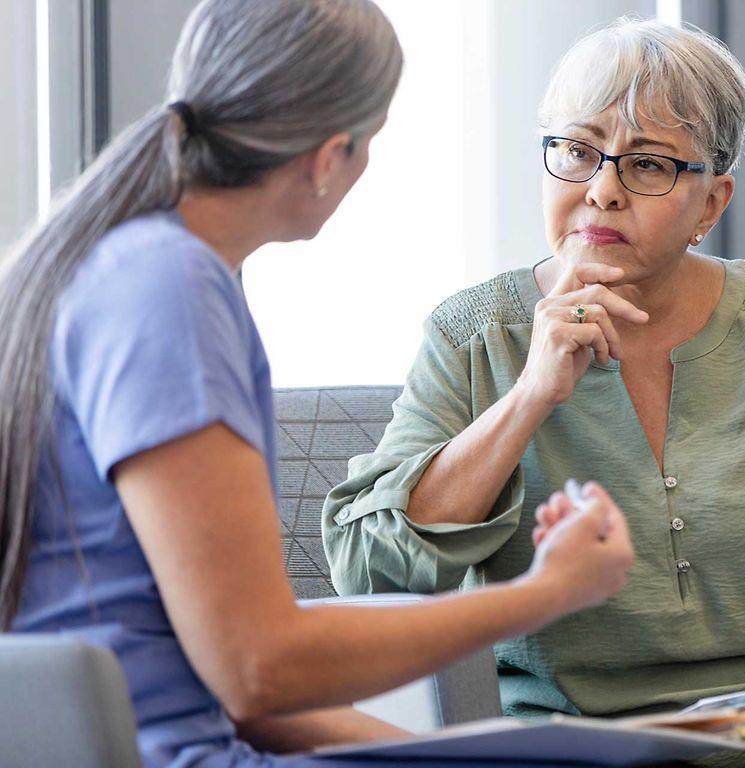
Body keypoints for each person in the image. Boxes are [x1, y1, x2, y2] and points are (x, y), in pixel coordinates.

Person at [0, 1, 635, 766]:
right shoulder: (170, 291)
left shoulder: (128, 267)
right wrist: (545, 593)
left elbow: (235, 687)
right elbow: (262, 666)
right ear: (331, 155)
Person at [323, 18, 745, 768]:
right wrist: (528, 396)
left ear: (711, 205)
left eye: (648, 165)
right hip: (578, 751)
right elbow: (369, 573)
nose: (602, 191)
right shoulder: (471, 337)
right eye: (578, 152)